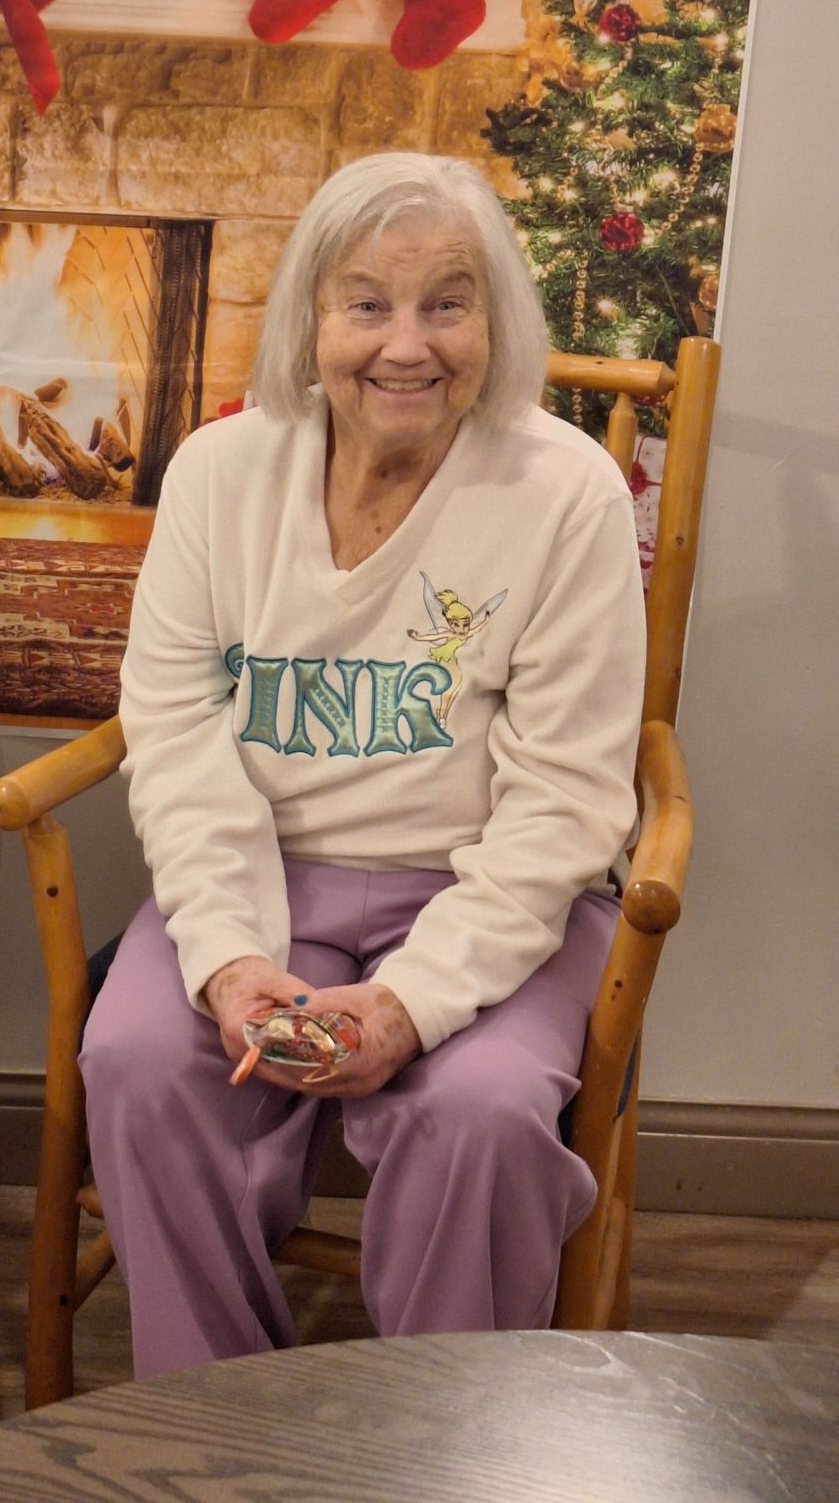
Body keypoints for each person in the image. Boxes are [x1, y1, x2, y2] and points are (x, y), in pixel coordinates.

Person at [81, 149, 646, 1374]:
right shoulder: (219, 474)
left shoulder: (570, 492)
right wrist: (230, 958)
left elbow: (567, 799)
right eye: (366, 303)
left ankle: (433, 1441)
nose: (407, 344)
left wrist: (411, 1002)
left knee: (480, 1113)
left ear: (498, 321)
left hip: (494, 891)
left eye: (449, 302)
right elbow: (177, 733)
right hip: (264, 874)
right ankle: (221, 1422)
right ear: (310, 319)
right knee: (135, 1059)